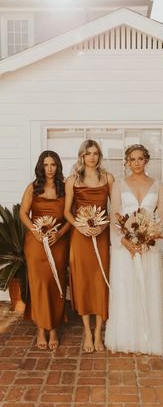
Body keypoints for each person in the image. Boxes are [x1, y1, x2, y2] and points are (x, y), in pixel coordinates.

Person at [105, 144, 163, 355]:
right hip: (126, 249)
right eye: (132, 159)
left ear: (146, 160)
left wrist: (147, 239)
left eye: (140, 158)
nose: (137, 162)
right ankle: (126, 337)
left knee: (147, 290)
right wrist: (126, 242)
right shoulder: (119, 185)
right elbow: (114, 216)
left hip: (147, 249)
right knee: (126, 290)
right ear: (127, 162)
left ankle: (148, 339)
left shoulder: (158, 185)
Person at [64, 139, 114, 353]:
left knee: (100, 282)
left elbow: (115, 209)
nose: (92, 157)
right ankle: (86, 331)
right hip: (80, 237)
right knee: (83, 281)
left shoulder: (108, 178)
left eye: (95, 153)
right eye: (88, 153)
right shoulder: (72, 180)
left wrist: (103, 227)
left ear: (99, 155)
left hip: (101, 235)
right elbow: (67, 212)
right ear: (82, 156)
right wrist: (80, 226)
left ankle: (98, 333)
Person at [20, 150, 70, 350]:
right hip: (36, 241)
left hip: (58, 241)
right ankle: (41, 328)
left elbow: (69, 217)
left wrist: (58, 234)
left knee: (55, 282)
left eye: (53, 165)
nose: (49, 169)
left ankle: (54, 328)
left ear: (58, 167)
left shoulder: (65, 189)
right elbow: (23, 213)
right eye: (46, 165)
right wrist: (35, 231)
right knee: (39, 283)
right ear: (41, 167)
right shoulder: (33, 187)